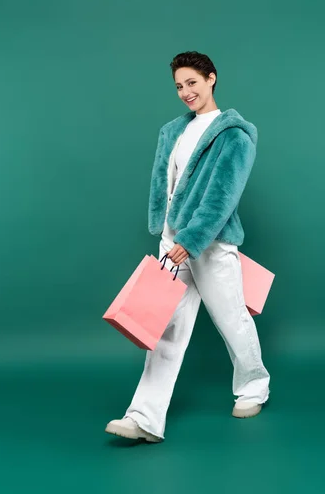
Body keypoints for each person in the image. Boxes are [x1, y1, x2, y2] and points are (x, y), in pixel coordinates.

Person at [105, 51, 270, 443]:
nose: (185, 92)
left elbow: (222, 196)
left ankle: (254, 386)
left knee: (232, 318)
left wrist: (191, 240)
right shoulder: (174, 131)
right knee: (166, 327)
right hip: (172, 242)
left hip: (208, 244)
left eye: (192, 82)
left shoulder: (234, 134)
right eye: (179, 86)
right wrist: (168, 235)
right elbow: (167, 185)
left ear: (211, 79)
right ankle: (144, 418)